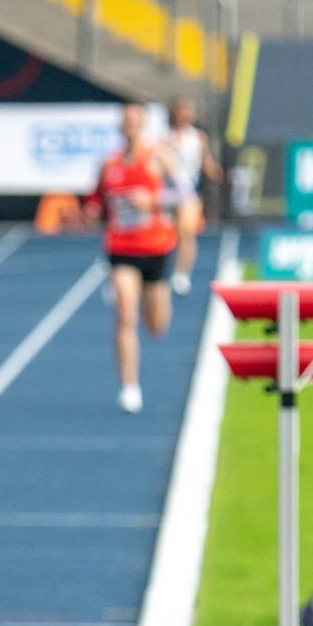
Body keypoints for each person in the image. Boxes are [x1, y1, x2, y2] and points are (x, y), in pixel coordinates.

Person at [86, 103, 180, 414]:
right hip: (121, 248)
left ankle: (149, 299)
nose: (130, 126)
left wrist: (152, 200)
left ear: (143, 125)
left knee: (156, 327)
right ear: (120, 126)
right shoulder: (108, 164)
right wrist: (92, 210)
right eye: (125, 121)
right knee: (125, 316)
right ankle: (130, 386)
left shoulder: (158, 157)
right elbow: (96, 198)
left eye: (135, 121)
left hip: (155, 248)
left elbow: (185, 194)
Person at [164, 96, 222, 295]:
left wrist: (215, 172)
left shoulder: (198, 138)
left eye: (189, 110)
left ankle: (182, 273)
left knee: (186, 232)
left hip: (189, 192)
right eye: (182, 110)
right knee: (167, 234)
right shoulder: (165, 138)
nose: (186, 114)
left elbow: (205, 162)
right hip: (167, 193)